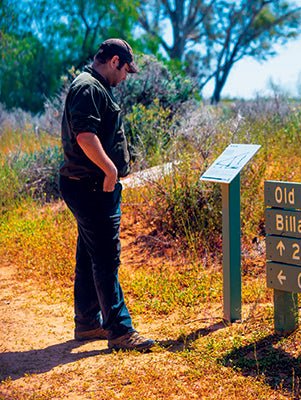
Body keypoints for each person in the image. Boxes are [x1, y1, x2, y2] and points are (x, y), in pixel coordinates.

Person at [59, 38, 155, 351]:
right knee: (105, 257)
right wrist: (110, 170)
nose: (126, 76)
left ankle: (88, 323)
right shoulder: (88, 87)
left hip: (89, 186)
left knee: (89, 255)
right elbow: (85, 136)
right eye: (125, 69)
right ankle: (120, 330)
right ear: (114, 61)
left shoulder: (96, 86)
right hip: (92, 187)